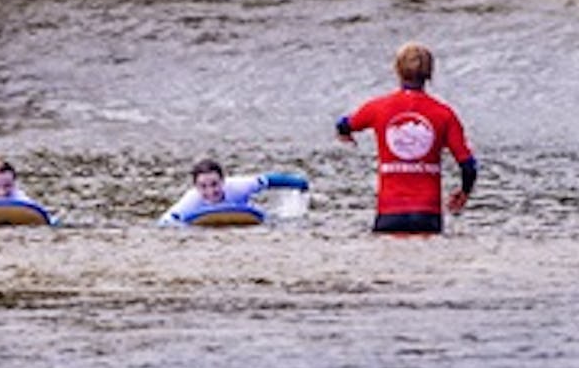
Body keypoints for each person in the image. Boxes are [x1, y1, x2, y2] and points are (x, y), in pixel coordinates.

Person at [336, 41, 477, 234]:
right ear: (429, 74)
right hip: (428, 215)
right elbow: (468, 165)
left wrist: (345, 133)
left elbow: (345, 123)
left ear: (398, 71)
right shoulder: (444, 114)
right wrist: (464, 192)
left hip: (389, 213)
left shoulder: (378, 108)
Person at [159, 159, 309, 225]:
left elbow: (268, 180)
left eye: (214, 184)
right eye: (203, 187)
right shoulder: (191, 200)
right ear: (196, 187)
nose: (210, 191)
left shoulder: (237, 186)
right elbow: (166, 221)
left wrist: (299, 184)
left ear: (223, 181)